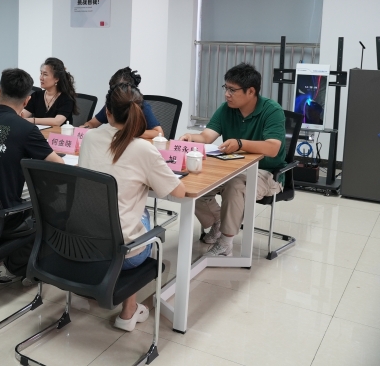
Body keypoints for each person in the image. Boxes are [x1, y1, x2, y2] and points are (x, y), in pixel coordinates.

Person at [79, 82, 186, 332]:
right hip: (123, 254)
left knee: (116, 209)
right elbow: (179, 192)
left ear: (107, 112)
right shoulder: (143, 149)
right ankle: (128, 312)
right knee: (142, 213)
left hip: (82, 245)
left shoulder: (90, 138)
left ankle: (97, 287)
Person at [0, 68, 63, 284]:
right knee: (54, 209)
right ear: (27, 100)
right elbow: (59, 167)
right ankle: (14, 266)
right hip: (3, 216)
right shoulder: (25, 129)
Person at [180, 63, 286, 257]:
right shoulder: (226, 109)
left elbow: (273, 148)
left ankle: (226, 243)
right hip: (231, 167)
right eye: (226, 88)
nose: (226, 94)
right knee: (194, 182)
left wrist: (240, 143)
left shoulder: (272, 110)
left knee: (235, 185)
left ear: (250, 91)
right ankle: (218, 222)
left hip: (266, 173)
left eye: (232, 90)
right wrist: (190, 138)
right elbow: (206, 137)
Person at [83, 67, 164, 139]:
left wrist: (129, 133)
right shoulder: (112, 104)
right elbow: (92, 123)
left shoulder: (141, 106)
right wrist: (85, 127)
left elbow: (159, 133)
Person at [21, 57, 78, 127]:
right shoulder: (36, 95)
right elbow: (22, 115)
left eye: (45, 74)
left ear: (56, 79)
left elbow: (57, 121)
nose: (41, 78)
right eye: (41, 73)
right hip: (39, 133)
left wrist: (32, 120)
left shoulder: (66, 98)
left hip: (59, 133)